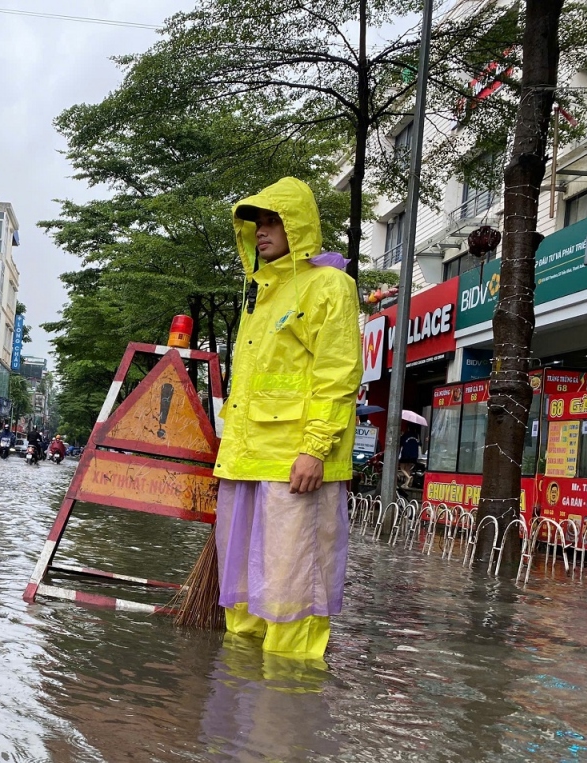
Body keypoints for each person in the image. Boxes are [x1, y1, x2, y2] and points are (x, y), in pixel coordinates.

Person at [212, 177, 362, 660]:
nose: (262, 230)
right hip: (248, 461)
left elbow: (336, 374)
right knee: (242, 587)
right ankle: (239, 695)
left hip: (296, 463)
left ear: (299, 224)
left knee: (292, 584)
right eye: (256, 222)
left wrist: (314, 448)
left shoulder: (329, 286)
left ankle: (287, 703)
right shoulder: (261, 295)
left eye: (273, 219)